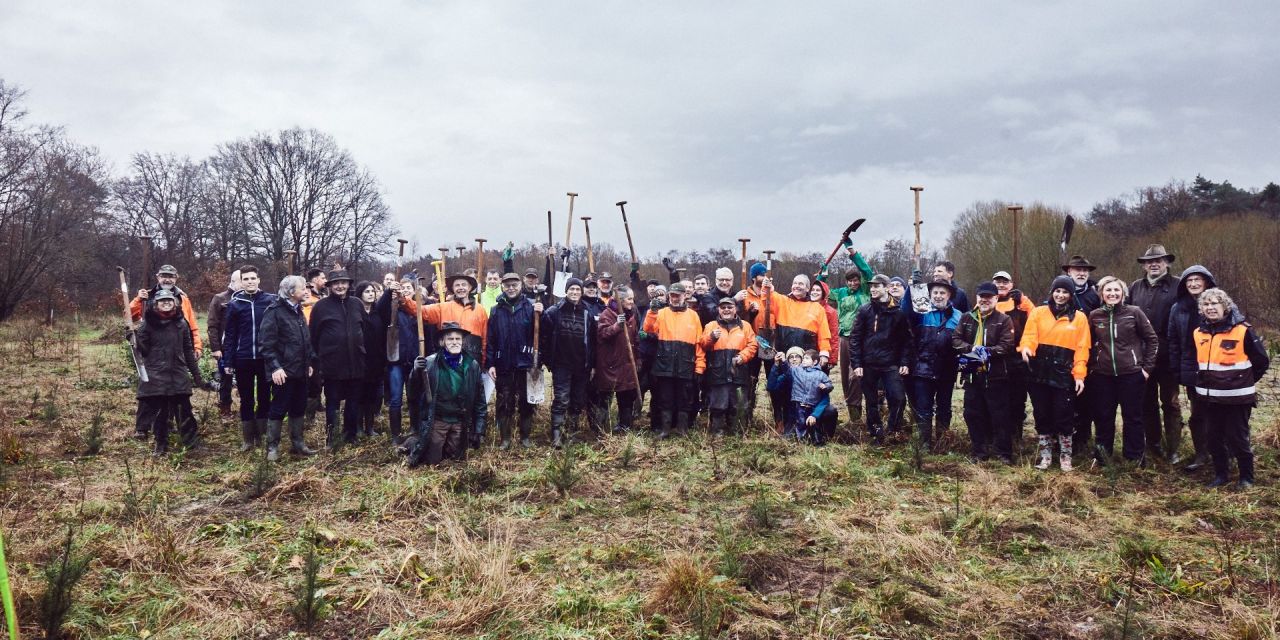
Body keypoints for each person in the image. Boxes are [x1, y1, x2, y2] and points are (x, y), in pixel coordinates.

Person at [1192, 288, 1269, 488]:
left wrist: (1243, 381)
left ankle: (1246, 477)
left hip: (1237, 398)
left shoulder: (1242, 330)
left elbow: (1261, 361)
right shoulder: (1198, 333)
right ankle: (1220, 475)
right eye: (1206, 305)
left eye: (1214, 303)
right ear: (1201, 309)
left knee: (1237, 438)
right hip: (1209, 398)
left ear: (1225, 306)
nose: (1210, 308)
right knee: (1213, 438)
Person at [1019, 275, 1090, 471]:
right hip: (1039, 371)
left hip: (1063, 373)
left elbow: (1082, 348)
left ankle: (1065, 456)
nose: (1060, 295)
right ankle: (1045, 456)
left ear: (1070, 294)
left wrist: (1079, 375)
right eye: (1057, 291)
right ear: (1052, 292)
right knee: (1042, 414)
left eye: (1065, 292)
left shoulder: (1080, 317)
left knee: (1064, 415)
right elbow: (1029, 336)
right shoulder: (1039, 312)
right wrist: (1026, 348)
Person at [1087, 276, 1159, 464]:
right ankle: (1103, 456)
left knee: (1133, 417)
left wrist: (1146, 369)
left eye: (1116, 290)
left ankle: (1134, 457)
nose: (1112, 294)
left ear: (1123, 293)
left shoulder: (1134, 312)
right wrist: (1093, 367)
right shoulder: (1095, 315)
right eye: (1108, 290)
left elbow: (1152, 340)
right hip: (1103, 376)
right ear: (1102, 294)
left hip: (1131, 375)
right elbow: (1087, 344)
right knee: (1103, 416)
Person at [133, 289, 206, 456]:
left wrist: (196, 375)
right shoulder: (147, 324)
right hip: (156, 375)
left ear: (175, 303)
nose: (166, 303)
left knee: (184, 410)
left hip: (178, 373)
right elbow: (143, 352)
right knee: (160, 413)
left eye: (169, 300)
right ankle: (161, 444)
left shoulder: (181, 323)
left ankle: (191, 442)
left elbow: (188, 350)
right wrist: (134, 339)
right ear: (155, 304)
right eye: (162, 301)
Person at [1128, 244, 1183, 462]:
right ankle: (1153, 445)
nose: (1154, 264)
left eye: (1158, 261)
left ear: (1166, 263)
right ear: (1143, 265)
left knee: (1170, 403)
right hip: (1142, 357)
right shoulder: (1135, 287)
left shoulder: (1179, 286)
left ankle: (1174, 449)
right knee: (1146, 402)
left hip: (1169, 356)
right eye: (1149, 261)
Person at [406, 322, 488, 467]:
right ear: (442, 342)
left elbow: (480, 401)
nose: (454, 342)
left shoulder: (472, 365)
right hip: (438, 420)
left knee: (455, 459)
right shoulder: (430, 363)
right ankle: (411, 443)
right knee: (432, 461)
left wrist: (479, 429)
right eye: (450, 339)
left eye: (458, 339)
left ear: (463, 342)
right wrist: (415, 371)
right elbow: (412, 393)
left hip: (459, 421)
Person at [953, 282, 1016, 463]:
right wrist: (973, 349)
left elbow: (1006, 346)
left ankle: (1004, 453)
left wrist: (983, 352)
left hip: (996, 374)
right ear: (977, 298)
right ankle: (978, 452)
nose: (985, 300)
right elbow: (956, 340)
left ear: (996, 298)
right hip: (972, 372)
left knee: (999, 414)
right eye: (982, 296)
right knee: (972, 413)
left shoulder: (1004, 320)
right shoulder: (966, 318)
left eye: (989, 297)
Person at [850, 274, 916, 443]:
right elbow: (855, 338)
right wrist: (857, 363)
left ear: (886, 288)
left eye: (877, 286)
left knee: (899, 398)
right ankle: (876, 433)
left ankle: (892, 429)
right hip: (868, 363)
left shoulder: (898, 312)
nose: (873, 289)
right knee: (871, 401)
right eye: (871, 286)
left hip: (890, 364)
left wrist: (905, 362)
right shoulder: (865, 310)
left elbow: (907, 341)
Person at [258, 275, 318, 460]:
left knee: (299, 406)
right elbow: (266, 344)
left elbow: (304, 340)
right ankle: (272, 447)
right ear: (292, 292)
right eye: (302, 288)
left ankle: (298, 443)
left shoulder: (298, 310)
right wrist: (275, 368)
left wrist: (308, 363)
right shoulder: (274, 311)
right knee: (279, 407)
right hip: (283, 372)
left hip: (300, 370)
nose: (306, 291)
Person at [1166, 265, 1217, 471]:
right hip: (1192, 368)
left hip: (1218, 368)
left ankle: (1224, 452)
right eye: (1189, 281)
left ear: (1206, 282)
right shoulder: (1178, 308)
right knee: (1198, 413)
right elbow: (1173, 341)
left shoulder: (1218, 302)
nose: (1194, 284)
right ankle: (1201, 454)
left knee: (1220, 412)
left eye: (1198, 280)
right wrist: (1178, 369)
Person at [222, 265, 278, 451]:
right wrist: (228, 360)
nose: (250, 282)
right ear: (241, 282)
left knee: (264, 397)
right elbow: (230, 334)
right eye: (246, 279)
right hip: (243, 357)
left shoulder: (270, 301)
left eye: (253, 278)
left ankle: (262, 436)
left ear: (259, 280)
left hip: (264, 358)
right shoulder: (235, 304)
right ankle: (248, 439)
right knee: (246, 399)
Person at [309, 269, 366, 448]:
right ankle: (331, 438)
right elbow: (313, 336)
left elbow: (364, 328)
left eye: (343, 282)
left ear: (349, 285)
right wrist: (316, 361)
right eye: (336, 283)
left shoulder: (357, 304)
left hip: (356, 362)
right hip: (332, 363)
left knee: (353, 401)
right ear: (330, 286)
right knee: (332, 402)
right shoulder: (320, 307)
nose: (340, 286)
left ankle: (350, 435)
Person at [486, 272, 543, 449]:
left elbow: (543, 333)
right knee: (504, 402)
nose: (511, 288)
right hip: (504, 364)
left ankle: (525, 437)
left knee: (527, 402)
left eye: (514, 285)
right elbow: (490, 339)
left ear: (520, 286)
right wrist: (490, 363)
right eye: (507, 285)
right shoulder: (496, 310)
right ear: (503, 287)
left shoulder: (531, 307)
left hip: (526, 363)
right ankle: (505, 439)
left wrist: (543, 313)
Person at [643, 282, 706, 438]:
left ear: (685, 296)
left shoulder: (693, 315)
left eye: (678, 295)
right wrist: (652, 311)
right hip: (664, 364)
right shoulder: (662, 313)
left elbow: (699, 343)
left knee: (685, 398)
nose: (675, 298)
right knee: (665, 398)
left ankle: (682, 429)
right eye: (672, 295)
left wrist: (699, 366)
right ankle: (665, 430)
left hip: (686, 364)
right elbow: (648, 329)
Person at [824, 239, 875, 426]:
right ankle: (854, 417)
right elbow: (822, 291)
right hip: (843, 338)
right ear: (846, 282)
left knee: (856, 375)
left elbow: (868, 272)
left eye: (856, 280)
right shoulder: (841, 293)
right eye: (850, 280)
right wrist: (822, 275)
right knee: (845, 377)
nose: (854, 283)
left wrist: (852, 251)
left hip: (862, 339)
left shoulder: (865, 290)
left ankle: (859, 405)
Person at [542, 277, 597, 446]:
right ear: (566, 291)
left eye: (577, 290)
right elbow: (545, 338)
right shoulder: (553, 311)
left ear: (581, 292)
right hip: (561, 364)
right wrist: (547, 361)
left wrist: (593, 364)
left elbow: (593, 341)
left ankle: (572, 432)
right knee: (561, 399)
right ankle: (557, 435)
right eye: (571, 289)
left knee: (577, 400)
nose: (574, 292)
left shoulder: (588, 312)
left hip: (582, 366)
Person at [909, 279, 962, 449]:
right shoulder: (921, 312)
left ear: (949, 296)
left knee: (944, 408)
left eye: (942, 293)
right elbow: (905, 311)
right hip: (923, 369)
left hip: (947, 370)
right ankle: (924, 444)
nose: (938, 296)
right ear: (930, 295)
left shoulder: (958, 316)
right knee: (924, 408)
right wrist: (914, 287)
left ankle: (942, 442)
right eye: (935, 293)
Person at [377, 274, 426, 446]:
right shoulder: (391, 310)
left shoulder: (419, 310)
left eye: (408, 288)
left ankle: (416, 428)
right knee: (396, 398)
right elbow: (378, 308)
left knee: (415, 396)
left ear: (414, 292)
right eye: (402, 288)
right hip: (396, 361)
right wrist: (389, 292)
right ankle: (395, 435)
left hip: (414, 361)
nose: (405, 291)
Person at [1062, 255, 1101, 459]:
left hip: (1091, 354)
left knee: (1087, 399)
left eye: (1085, 270)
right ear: (1069, 272)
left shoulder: (1096, 294)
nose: (1082, 273)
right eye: (1077, 269)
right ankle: (1068, 437)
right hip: (1066, 354)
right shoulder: (1060, 293)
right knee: (1068, 399)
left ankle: (1084, 439)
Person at [700, 297, 758, 435]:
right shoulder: (711, 326)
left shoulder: (745, 326)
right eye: (723, 307)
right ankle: (717, 432)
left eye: (729, 307)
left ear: (735, 309)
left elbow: (753, 345)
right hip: (717, 372)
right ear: (719, 309)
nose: (726, 310)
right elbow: (703, 344)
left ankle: (738, 432)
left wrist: (742, 357)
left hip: (739, 371)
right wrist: (711, 337)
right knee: (718, 404)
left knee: (738, 404)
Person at [594, 286, 643, 434]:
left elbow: (635, 339)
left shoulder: (632, 315)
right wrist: (617, 326)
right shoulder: (607, 314)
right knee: (605, 397)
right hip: (611, 365)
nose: (632, 302)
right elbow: (602, 334)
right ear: (620, 300)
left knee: (626, 397)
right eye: (629, 299)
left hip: (627, 365)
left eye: (632, 299)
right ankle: (601, 428)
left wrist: (638, 358)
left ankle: (625, 426)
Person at [992, 271, 1034, 433]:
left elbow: (1034, 317)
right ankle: (997, 434)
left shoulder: (1020, 302)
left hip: (1017, 358)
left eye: (1005, 282)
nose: (1001, 285)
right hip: (996, 357)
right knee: (997, 399)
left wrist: (1022, 301)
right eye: (998, 282)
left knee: (1017, 399)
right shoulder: (988, 300)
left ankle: (1016, 435)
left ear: (1011, 284)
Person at [767, 348, 833, 444]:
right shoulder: (788, 374)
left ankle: (825, 436)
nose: (794, 359)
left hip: (813, 410)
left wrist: (815, 414)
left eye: (797, 357)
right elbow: (771, 386)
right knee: (790, 438)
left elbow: (825, 396)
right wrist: (777, 364)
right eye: (791, 357)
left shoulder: (819, 375)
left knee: (830, 411)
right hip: (793, 412)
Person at [354, 281, 386, 440]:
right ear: (360, 294)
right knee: (360, 395)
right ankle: (358, 427)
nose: (371, 294)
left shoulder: (377, 313)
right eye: (367, 291)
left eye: (372, 291)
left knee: (372, 396)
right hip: (359, 360)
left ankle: (370, 427)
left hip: (376, 360)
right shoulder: (355, 313)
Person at [206, 269, 241, 417]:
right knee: (226, 379)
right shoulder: (220, 299)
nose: (245, 283)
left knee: (245, 378)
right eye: (241, 280)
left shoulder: (248, 299)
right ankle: (225, 407)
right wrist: (215, 348)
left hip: (243, 347)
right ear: (233, 281)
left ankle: (246, 407)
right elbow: (212, 325)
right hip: (225, 348)